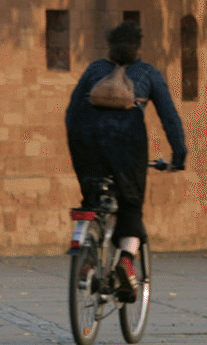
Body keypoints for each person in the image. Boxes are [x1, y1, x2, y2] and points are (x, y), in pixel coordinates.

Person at [65, 20, 187, 294]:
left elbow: (72, 112)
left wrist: (77, 147)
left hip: (85, 142)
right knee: (131, 205)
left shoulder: (95, 69)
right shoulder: (148, 73)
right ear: (138, 47)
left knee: (92, 200)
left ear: (110, 47)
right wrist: (179, 155)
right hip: (127, 146)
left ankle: (86, 259)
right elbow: (169, 117)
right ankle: (126, 262)